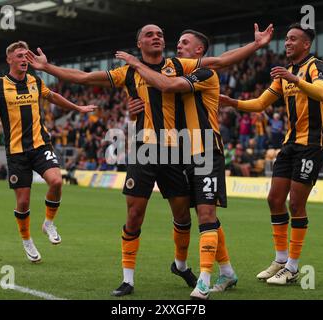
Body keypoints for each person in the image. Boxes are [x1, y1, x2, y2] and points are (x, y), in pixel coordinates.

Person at [26, 23, 273, 296]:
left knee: (183, 215)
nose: (157, 37)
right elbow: (84, 77)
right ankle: (128, 280)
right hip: (145, 150)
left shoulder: (180, 65)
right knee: (134, 214)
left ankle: (180, 265)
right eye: (149, 35)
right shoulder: (127, 73)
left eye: (160, 34)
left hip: (179, 151)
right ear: (140, 43)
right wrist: (48, 68)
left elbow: (222, 60)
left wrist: (257, 45)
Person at [116, 26, 273, 299]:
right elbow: (156, 100)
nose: (177, 47)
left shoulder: (202, 73)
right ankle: (227, 271)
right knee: (206, 214)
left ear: (198, 51)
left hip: (205, 152)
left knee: (205, 216)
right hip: (181, 153)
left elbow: (211, 65)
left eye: (184, 43)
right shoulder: (174, 70)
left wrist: (256, 45)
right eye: (176, 43)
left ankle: (204, 279)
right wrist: (133, 109)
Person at [0, 41, 97, 263]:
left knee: (56, 181)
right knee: (23, 202)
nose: (24, 59)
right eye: (19, 56)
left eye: (26, 55)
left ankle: (49, 223)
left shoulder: (35, 81)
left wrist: (78, 108)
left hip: (40, 145)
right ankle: (27, 240)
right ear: (9, 60)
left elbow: (53, 96)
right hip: (16, 152)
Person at [220, 23, 323, 285]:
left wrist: (295, 80)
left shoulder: (316, 65)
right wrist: (232, 102)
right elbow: (260, 104)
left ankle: (292, 267)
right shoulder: (284, 73)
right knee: (274, 199)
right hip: (290, 143)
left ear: (306, 44)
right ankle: (280, 261)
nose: (288, 43)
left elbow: (322, 93)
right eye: (287, 39)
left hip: (312, 144)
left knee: (296, 204)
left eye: (294, 39)